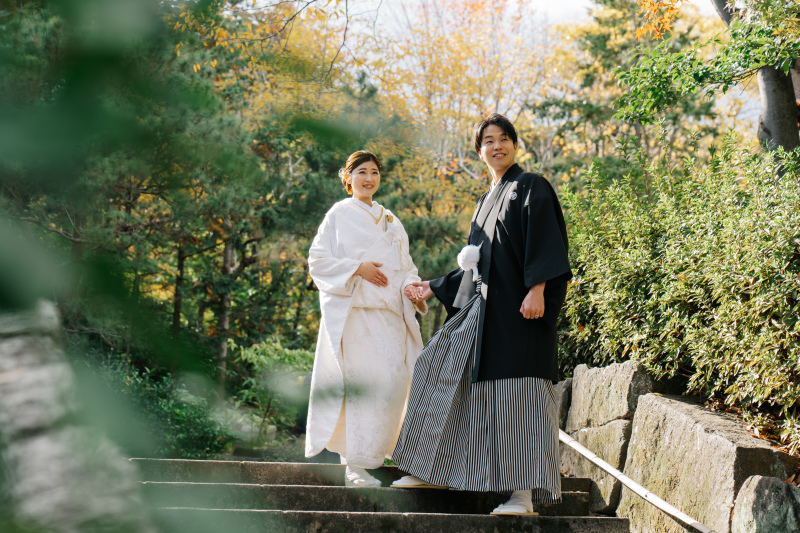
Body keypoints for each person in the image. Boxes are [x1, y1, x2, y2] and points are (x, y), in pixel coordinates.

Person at [391, 114, 572, 515]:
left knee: (519, 398)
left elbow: (547, 242)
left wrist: (538, 289)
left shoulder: (530, 186)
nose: (497, 146)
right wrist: (434, 285)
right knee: (435, 366)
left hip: (521, 314)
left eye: (504, 139)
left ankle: (522, 496)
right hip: (484, 313)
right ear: (479, 150)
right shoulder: (486, 200)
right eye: (489, 141)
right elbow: (477, 267)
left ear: (514, 145)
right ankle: (430, 466)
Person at [305, 150, 427, 487]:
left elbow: (406, 268)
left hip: (389, 320)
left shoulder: (391, 220)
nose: (369, 178)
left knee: (395, 385)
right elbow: (318, 261)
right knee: (362, 389)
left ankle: (389, 457)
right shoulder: (338, 215)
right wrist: (358, 267)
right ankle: (354, 467)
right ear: (348, 177)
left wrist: (412, 288)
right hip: (357, 317)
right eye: (361, 172)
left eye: (374, 172)